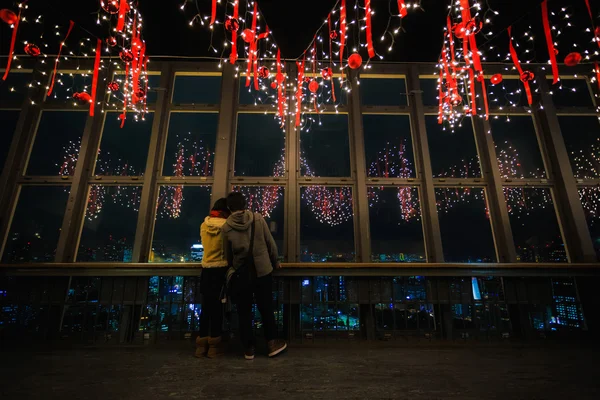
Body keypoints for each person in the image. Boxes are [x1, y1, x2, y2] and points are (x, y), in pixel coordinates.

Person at [222, 192, 287, 360]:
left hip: (241, 273)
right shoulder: (258, 219)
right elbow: (270, 243)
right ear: (245, 204)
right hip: (263, 270)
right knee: (266, 308)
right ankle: (272, 344)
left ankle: (248, 348)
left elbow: (228, 255)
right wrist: (275, 261)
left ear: (229, 208)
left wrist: (233, 267)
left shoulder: (226, 227)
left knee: (244, 311)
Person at [195, 198, 230, 358]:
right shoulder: (226, 227)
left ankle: (201, 345)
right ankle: (214, 346)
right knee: (217, 309)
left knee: (206, 308)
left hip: (206, 270)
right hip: (221, 270)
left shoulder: (204, 224)